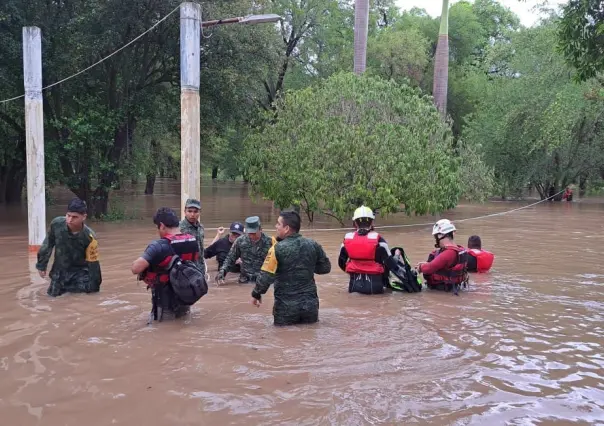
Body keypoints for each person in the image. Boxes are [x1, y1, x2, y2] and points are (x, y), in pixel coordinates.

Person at [250, 210, 331, 326]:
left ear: (286, 228)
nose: (276, 226)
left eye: (278, 224)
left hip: (285, 309)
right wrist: (307, 266)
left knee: (283, 339)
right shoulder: (313, 244)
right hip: (310, 306)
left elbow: (265, 277)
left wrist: (256, 294)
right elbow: (326, 268)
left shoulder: (276, 249)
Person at [131, 207, 200, 321]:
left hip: (165, 298)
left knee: (163, 329)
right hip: (185, 295)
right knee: (183, 323)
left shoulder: (159, 246)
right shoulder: (192, 241)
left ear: (162, 225)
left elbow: (135, 269)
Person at [36, 198, 102, 297]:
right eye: (68, 215)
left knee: (80, 300)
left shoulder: (90, 237)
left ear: (83, 217)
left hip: (80, 274)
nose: (70, 220)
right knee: (52, 299)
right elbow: (48, 244)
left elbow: (94, 264)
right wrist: (41, 265)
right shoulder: (57, 224)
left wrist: (94, 289)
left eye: (75, 217)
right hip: (59, 272)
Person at [338, 205, 398, 294]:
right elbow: (392, 265)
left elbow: (341, 263)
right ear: (372, 222)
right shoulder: (380, 241)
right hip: (376, 287)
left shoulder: (346, 240)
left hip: (354, 286)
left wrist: (354, 271)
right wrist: (397, 254)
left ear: (355, 223)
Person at [416, 219, 468, 294]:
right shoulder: (459, 250)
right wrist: (425, 264)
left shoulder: (449, 253)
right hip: (455, 288)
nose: (435, 239)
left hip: (443, 291)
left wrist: (420, 267)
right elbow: (442, 266)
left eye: (436, 236)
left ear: (441, 235)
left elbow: (429, 268)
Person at [216, 216, 274, 284]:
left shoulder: (270, 242)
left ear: (260, 229)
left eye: (253, 233)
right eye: (249, 233)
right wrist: (222, 272)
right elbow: (230, 258)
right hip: (244, 280)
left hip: (263, 281)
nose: (251, 236)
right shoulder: (240, 241)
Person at [179, 198, 205, 274]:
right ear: (184, 212)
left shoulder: (201, 227)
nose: (192, 215)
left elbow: (201, 249)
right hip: (186, 269)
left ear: (200, 212)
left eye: (195, 212)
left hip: (200, 268)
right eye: (189, 211)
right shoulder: (179, 228)